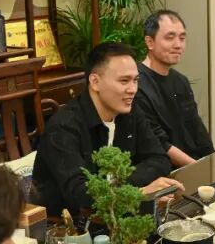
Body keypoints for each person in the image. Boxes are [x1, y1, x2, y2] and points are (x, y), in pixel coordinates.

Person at [33, 42, 182, 217]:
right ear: (95, 82)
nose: (133, 90)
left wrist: (121, 186)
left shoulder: (130, 111)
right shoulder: (63, 126)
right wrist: (137, 193)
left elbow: (159, 160)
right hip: (66, 224)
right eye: (124, 81)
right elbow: (81, 195)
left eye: (135, 80)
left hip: (118, 214)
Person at [134, 10, 215, 167]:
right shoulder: (135, 83)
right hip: (165, 170)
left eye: (182, 38)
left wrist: (214, 163)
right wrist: (199, 168)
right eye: (170, 38)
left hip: (194, 165)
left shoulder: (181, 81)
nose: (178, 45)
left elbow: (197, 129)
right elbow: (159, 143)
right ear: (150, 42)